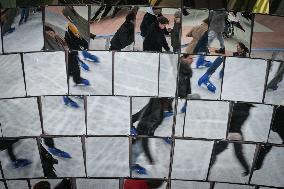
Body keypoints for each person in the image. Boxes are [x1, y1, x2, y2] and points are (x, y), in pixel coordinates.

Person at [131, 97, 173, 174]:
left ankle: (162, 136)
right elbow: (138, 116)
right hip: (143, 131)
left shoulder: (159, 109)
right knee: (137, 148)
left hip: (151, 126)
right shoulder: (152, 108)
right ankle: (132, 165)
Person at [210, 103, 253, 176]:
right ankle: (247, 168)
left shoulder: (234, 107)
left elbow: (227, 116)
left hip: (228, 132)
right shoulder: (247, 112)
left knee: (214, 152)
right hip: (237, 133)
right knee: (239, 154)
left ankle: (208, 167)